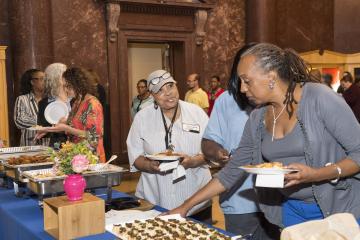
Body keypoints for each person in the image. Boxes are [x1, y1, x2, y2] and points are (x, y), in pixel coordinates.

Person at [166, 43, 360, 230]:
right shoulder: (258, 117)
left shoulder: (319, 98)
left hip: (339, 209)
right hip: (290, 209)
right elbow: (232, 170)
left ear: (271, 77)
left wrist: (317, 174)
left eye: (247, 81)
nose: (242, 88)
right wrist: (185, 206)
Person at [201, 44, 279, 239]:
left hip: (279, 201)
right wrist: (219, 153)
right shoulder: (226, 101)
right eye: (243, 80)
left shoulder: (280, 102)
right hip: (240, 201)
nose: (246, 88)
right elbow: (208, 141)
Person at [126, 69, 212, 222]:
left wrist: (193, 161)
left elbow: (212, 152)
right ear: (152, 95)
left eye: (170, 86)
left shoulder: (197, 113)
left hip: (196, 203)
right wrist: (149, 165)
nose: (168, 93)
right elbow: (135, 156)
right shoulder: (142, 118)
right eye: (160, 90)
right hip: (155, 202)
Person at [42, 67, 105, 162]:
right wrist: (47, 129)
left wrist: (66, 128)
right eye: (64, 86)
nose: (65, 90)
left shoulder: (92, 104)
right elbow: (74, 126)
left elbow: (94, 137)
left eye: (68, 86)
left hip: (91, 158)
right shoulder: (77, 102)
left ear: (78, 84)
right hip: (77, 155)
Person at [36, 63, 69, 148]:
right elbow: (42, 129)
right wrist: (51, 128)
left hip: (79, 143)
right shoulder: (44, 103)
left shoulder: (76, 98)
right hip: (58, 145)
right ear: (56, 78)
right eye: (65, 74)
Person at [14, 69, 48, 146]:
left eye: (46, 79)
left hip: (47, 145)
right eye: (42, 78)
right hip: (29, 145)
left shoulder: (51, 99)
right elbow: (19, 121)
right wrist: (45, 120)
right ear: (32, 82)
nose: (45, 81)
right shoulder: (22, 99)